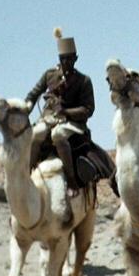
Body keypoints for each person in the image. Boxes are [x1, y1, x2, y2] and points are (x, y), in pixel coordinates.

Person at [25, 27, 96, 188]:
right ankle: (27, 174)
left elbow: (88, 109)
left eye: (70, 59)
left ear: (75, 59)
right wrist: (25, 108)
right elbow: (34, 94)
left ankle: (71, 180)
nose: (66, 63)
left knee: (58, 135)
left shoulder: (83, 81)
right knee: (36, 133)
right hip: (48, 118)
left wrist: (66, 112)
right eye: (63, 59)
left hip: (72, 123)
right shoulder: (49, 75)